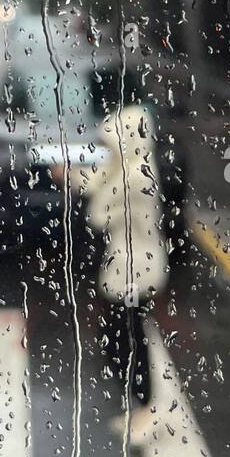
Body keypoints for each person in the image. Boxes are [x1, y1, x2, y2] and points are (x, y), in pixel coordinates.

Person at [80, 103, 168, 438]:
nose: (106, 150)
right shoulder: (127, 168)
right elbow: (96, 186)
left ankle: (147, 409)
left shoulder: (135, 177)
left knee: (131, 337)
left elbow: (99, 214)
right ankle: (140, 407)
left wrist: (89, 178)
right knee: (122, 336)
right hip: (126, 267)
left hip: (136, 271)